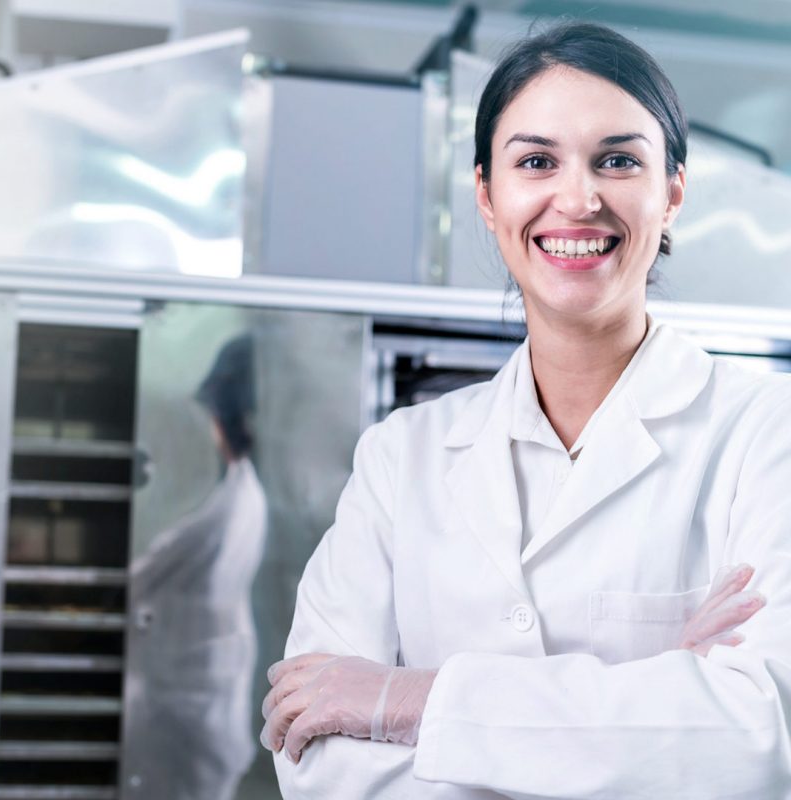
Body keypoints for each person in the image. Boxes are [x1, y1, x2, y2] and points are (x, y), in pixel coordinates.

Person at [261, 22, 791, 799]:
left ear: (672, 192)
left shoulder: (766, 431)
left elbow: (761, 737)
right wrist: (660, 703)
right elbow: (315, 756)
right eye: (536, 161)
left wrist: (410, 700)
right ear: (486, 193)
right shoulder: (400, 456)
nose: (577, 199)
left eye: (618, 160)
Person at [128, 334, 267, 800]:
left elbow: (151, 572)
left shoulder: (231, 505)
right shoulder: (241, 493)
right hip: (201, 700)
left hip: (189, 707)